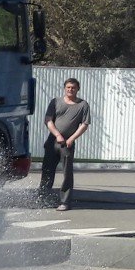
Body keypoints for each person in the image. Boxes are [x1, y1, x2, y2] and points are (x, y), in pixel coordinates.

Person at [38, 78, 92, 211]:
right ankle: (43, 199)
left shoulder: (83, 105)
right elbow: (48, 120)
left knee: (67, 173)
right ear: (64, 88)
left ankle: (65, 202)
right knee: (47, 171)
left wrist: (71, 139)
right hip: (53, 141)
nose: (70, 90)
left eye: (73, 87)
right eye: (68, 87)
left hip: (67, 144)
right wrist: (57, 135)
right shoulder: (55, 102)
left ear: (77, 89)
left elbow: (84, 125)